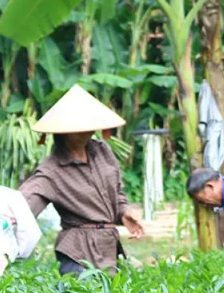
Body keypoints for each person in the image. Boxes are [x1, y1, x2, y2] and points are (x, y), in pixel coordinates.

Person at [19, 86, 145, 275]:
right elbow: (23, 205)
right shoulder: (52, 170)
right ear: (62, 131)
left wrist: (124, 212)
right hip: (76, 251)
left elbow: (117, 193)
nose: (87, 131)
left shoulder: (103, 152)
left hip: (109, 247)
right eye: (78, 126)